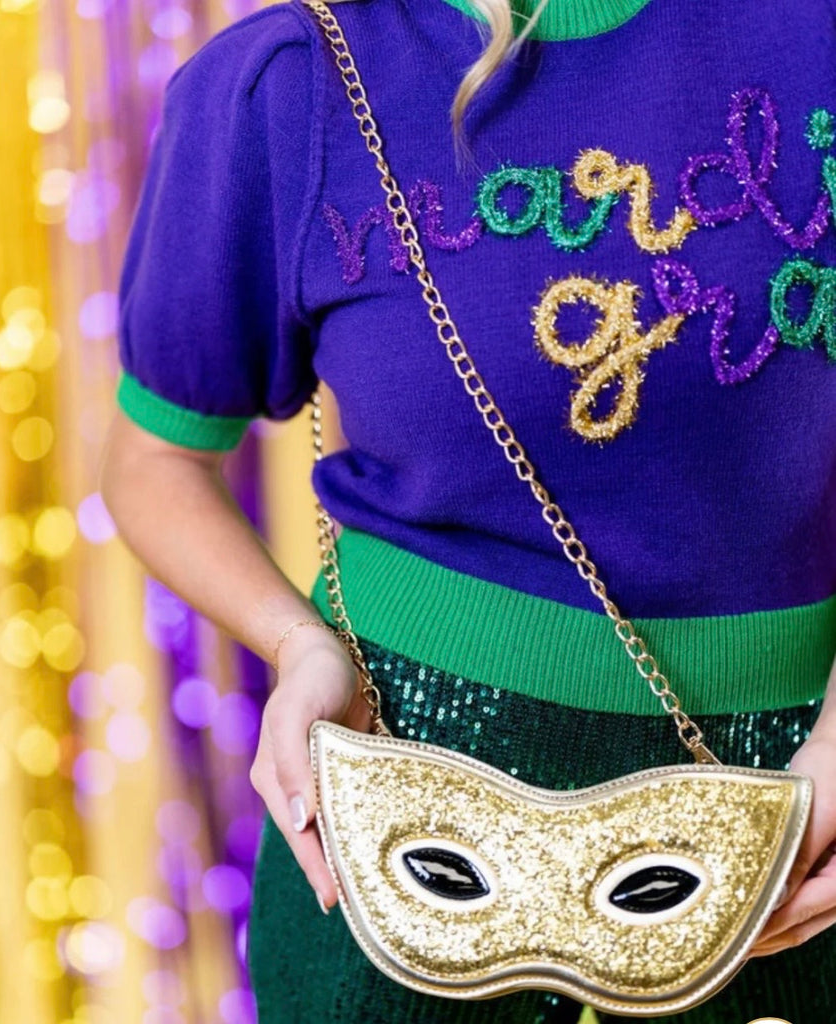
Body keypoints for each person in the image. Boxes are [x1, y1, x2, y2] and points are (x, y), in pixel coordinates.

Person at [100, 0, 836, 1019]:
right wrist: (298, 645)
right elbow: (154, 460)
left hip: (801, 826)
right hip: (398, 817)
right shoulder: (289, 79)